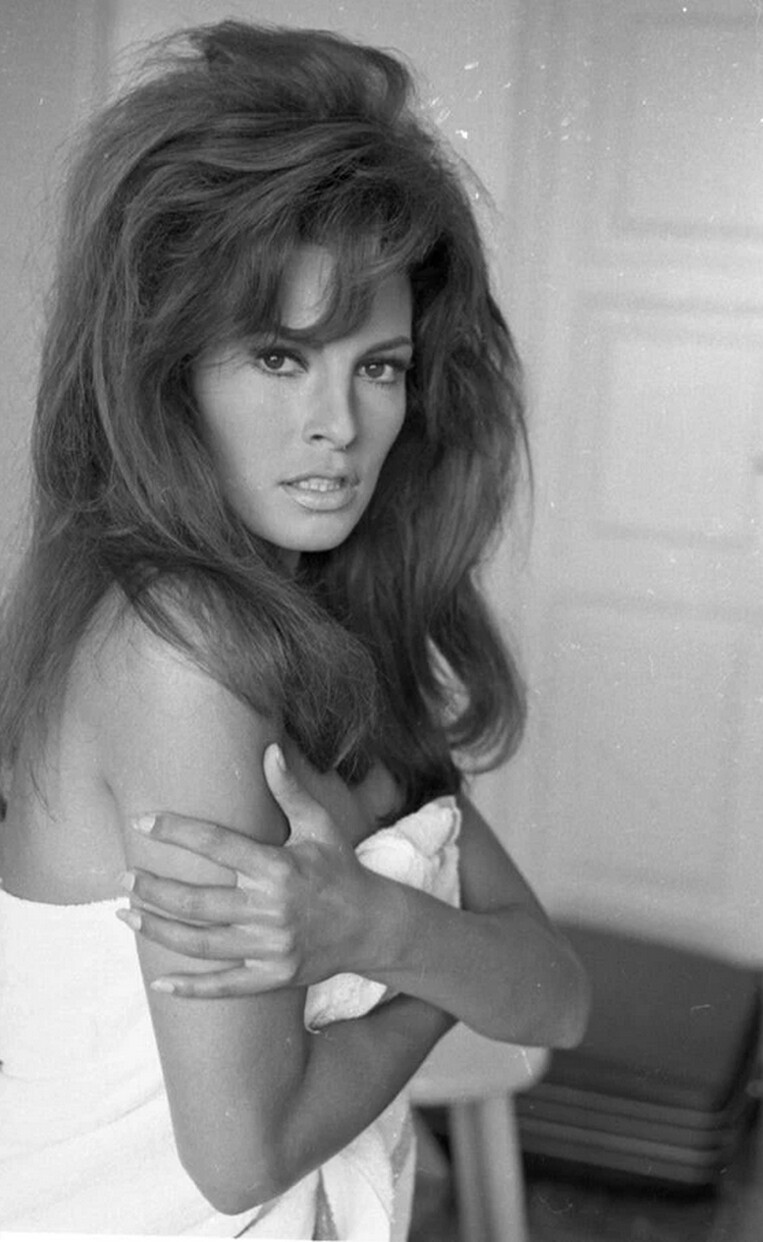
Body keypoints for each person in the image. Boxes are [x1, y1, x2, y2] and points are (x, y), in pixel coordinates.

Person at [0, 19, 589, 1239]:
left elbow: (560, 1000)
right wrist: (439, 965)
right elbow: (244, 1155)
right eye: (279, 357)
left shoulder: (326, 634)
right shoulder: (177, 651)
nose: (340, 426)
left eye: (379, 367)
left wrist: (378, 927)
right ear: (168, 369)